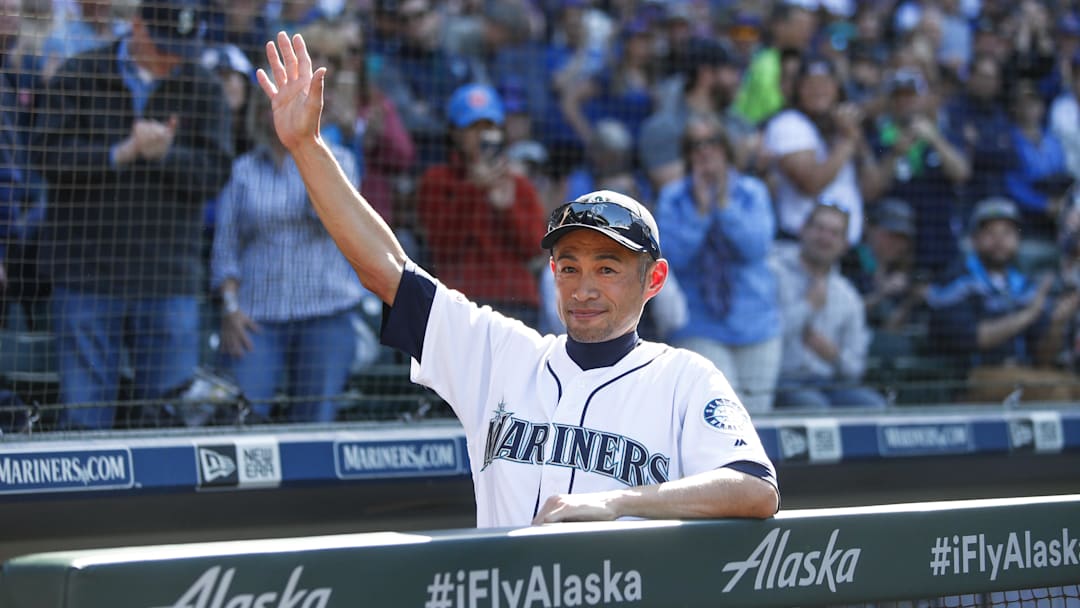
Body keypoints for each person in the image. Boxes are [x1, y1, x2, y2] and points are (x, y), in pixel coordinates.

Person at [256, 31, 778, 526]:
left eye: (608, 268)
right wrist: (306, 147)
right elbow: (385, 269)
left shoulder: (686, 378)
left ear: (654, 279)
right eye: (569, 266)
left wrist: (616, 504)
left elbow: (755, 488)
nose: (584, 287)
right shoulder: (501, 354)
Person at [32, 0, 234, 429]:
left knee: (169, 421)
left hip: (168, 278)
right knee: (85, 421)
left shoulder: (203, 86)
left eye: (181, 47)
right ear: (137, 27)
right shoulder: (81, 73)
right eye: (163, 46)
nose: (172, 57)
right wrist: (118, 154)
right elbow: (45, 155)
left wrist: (165, 155)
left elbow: (217, 172)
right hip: (87, 276)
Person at [211, 91, 368, 424]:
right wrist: (230, 308)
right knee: (245, 416)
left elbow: (334, 221)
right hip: (257, 317)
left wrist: (308, 152)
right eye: (275, 106)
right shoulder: (243, 171)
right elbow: (226, 247)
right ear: (261, 114)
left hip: (327, 312)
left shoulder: (340, 161)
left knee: (316, 421)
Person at [655, 114, 780, 414]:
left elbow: (755, 247)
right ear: (687, 154)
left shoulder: (752, 192)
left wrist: (723, 206)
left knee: (757, 419)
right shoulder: (674, 197)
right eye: (695, 145)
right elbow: (673, 257)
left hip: (757, 322)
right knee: (721, 415)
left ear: (726, 148)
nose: (705, 151)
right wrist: (699, 212)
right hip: (699, 322)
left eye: (712, 143)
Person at [415, 83, 547, 329]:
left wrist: (507, 209)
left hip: (515, 301)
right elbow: (441, 246)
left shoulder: (519, 184)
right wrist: (474, 191)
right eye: (472, 127)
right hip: (461, 300)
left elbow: (534, 248)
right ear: (454, 132)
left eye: (489, 126)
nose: (481, 135)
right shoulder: (436, 180)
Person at [927, 197, 1080, 403]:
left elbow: (1045, 357)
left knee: (1073, 388)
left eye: (1007, 233)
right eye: (990, 233)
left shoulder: (1024, 285)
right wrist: (1027, 316)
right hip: (972, 378)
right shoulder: (956, 280)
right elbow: (973, 338)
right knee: (1055, 392)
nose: (999, 240)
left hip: (1025, 375)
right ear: (974, 239)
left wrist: (1057, 323)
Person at [774, 201, 887, 409]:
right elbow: (764, 336)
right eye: (819, 229)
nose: (825, 238)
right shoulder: (775, 273)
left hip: (829, 382)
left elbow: (856, 367)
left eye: (834, 233)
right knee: (813, 406)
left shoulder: (848, 296)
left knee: (874, 405)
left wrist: (833, 355)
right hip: (781, 380)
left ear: (845, 244)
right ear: (803, 230)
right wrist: (807, 307)